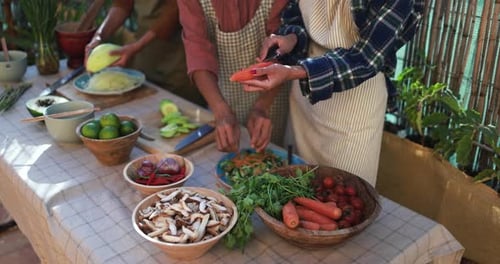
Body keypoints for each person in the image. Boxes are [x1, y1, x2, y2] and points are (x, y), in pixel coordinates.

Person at [239, 0, 424, 186]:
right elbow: (297, 15)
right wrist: (291, 38)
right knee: (292, 187)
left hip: (354, 106)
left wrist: (295, 71)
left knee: (344, 196)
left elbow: (366, 58)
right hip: (304, 101)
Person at [176, 0, 290, 153]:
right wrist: (221, 111)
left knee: (273, 154)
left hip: (273, 95)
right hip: (220, 92)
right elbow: (197, 51)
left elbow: (282, 51)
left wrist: (262, 106)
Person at [85, 0, 207, 107]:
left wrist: (138, 46)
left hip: (180, 58)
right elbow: (122, 5)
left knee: (185, 115)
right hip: (144, 55)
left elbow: (174, 11)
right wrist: (98, 36)